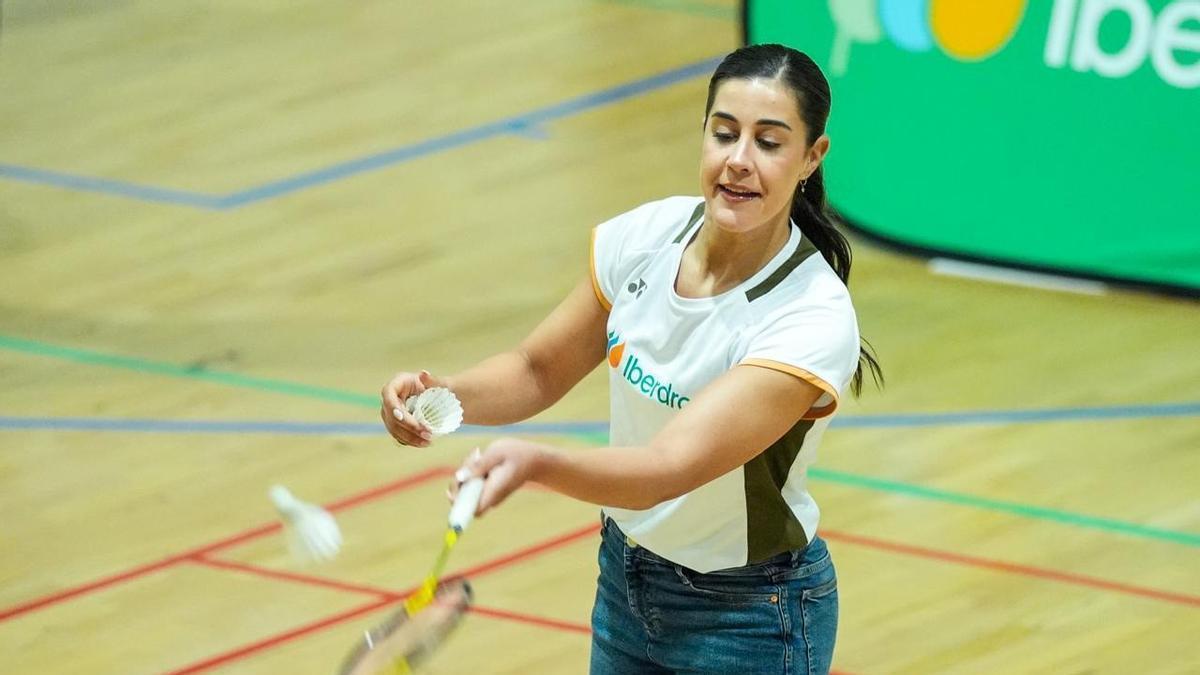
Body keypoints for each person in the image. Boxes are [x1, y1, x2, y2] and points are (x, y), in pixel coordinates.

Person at [381, 43, 881, 675]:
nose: (739, 161)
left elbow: (668, 466)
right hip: (626, 580)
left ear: (812, 156)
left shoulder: (809, 315)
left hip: (751, 616)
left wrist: (537, 461)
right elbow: (537, 369)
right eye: (724, 133)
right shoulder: (645, 238)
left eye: (770, 142)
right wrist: (437, 396)